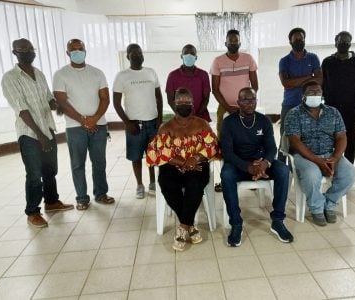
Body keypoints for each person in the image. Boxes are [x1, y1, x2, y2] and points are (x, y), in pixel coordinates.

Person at [1, 38, 73, 227]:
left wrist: (56, 105)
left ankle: (51, 202)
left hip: (47, 129)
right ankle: (32, 211)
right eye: (22, 49)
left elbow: (48, 98)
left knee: (51, 170)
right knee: (34, 174)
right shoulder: (10, 78)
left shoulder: (38, 73)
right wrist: (40, 136)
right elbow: (21, 109)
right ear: (14, 53)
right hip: (30, 134)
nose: (28, 52)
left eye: (30, 49)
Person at [146, 88, 220, 252]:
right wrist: (180, 161)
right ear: (174, 104)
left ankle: (183, 227)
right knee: (166, 184)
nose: (184, 104)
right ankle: (190, 225)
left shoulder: (202, 124)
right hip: (173, 166)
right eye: (180, 101)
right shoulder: (166, 127)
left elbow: (213, 146)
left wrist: (195, 158)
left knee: (195, 184)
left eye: (188, 101)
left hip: (197, 164)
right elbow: (156, 151)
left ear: (193, 104)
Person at [221, 87, 293, 247]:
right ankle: (236, 223)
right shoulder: (229, 122)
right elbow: (227, 153)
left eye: (253, 99)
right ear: (238, 102)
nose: (250, 103)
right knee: (226, 175)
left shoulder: (263, 120)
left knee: (282, 170)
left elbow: (271, 148)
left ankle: (278, 220)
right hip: (238, 165)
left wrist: (264, 164)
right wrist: (248, 167)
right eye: (245, 100)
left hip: (260, 163)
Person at [53, 38, 115, 210]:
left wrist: (94, 119)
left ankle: (101, 194)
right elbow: (62, 102)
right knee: (78, 164)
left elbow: (105, 98)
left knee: (99, 162)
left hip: (99, 125)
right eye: (73, 50)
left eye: (80, 49)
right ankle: (82, 198)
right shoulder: (61, 74)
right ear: (67, 53)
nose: (77, 52)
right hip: (75, 128)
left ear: (85, 50)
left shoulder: (97, 73)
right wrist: (83, 121)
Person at [285, 81, 355, 226]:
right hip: (305, 156)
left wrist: (334, 158)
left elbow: (342, 137)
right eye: (311, 92)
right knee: (312, 175)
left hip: (330, 154)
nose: (315, 95)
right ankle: (316, 207)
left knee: (350, 173)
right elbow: (295, 142)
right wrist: (318, 161)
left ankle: (329, 203)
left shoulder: (333, 112)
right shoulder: (294, 114)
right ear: (303, 96)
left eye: (318, 92)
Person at [211, 29, 258, 192]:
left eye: (236, 40)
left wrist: (247, 104)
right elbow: (215, 89)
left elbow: (255, 85)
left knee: (248, 141)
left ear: (240, 42)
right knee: (225, 144)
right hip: (225, 108)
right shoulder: (218, 61)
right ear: (225, 43)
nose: (233, 43)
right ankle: (225, 180)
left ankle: (250, 173)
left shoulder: (248, 59)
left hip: (246, 108)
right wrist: (229, 108)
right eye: (230, 41)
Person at [113, 43, 162, 198]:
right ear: (128, 56)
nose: (137, 56)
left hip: (152, 122)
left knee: (153, 155)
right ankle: (139, 185)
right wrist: (127, 123)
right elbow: (116, 102)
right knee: (135, 157)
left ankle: (153, 182)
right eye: (133, 53)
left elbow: (159, 96)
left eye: (139, 53)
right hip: (134, 124)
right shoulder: (122, 76)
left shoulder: (151, 72)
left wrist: (159, 118)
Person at [321, 31, 355, 164]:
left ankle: (348, 168)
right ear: (335, 42)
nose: (343, 44)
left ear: (350, 44)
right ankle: (331, 166)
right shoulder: (327, 62)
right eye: (341, 41)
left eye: (346, 42)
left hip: (351, 108)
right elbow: (321, 85)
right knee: (330, 138)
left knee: (350, 139)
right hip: (331, 108)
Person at [278, 27, 322, 161]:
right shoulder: (284, 61)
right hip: (289, 104)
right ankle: (281, 168)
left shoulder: (313, 58)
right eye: (296, 39)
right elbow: (286, 83)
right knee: (285, 138)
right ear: (290, 42)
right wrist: (309, 77)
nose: (299, 41)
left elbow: (319, 80)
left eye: (301, 39)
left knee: (307, 138)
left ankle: (299, 168)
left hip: (310, 105)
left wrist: (295, 80)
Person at [166, 44, 211, 122]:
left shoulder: (203, 75)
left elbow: (206, 98)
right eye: (186, 53)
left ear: (196, 57)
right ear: (181, 56)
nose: (189, 55)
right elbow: (170, 100)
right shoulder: (173, 76)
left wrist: (197, 116)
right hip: (181, 120)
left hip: (201, 118)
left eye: (192, 53)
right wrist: (181, 116)